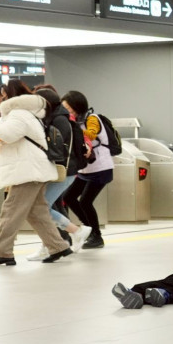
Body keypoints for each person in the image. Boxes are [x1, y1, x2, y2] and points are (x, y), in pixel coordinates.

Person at [0, 80, 72, 266]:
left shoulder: (19, 114)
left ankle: (3, 252)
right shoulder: (26, 113)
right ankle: (58, 247)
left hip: (27, 171)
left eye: (2, 95)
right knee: (36, 212)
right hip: (33, 169)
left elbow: (6, 135)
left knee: (10, 211)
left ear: (9, 96)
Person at [26, 86, 91, 260]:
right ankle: (52, 243)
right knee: (42, 208)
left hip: (63, 171)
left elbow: (57, 148)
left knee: (41, 208)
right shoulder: (56, 117)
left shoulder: (59, 120)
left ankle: (74, 232)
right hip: (60, 171)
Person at [60, 90, 112, 250]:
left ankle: (96, 236)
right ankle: (88, 230)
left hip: (101, 168)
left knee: (85, 201)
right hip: (85, 170)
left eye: (69, 108)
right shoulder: (75, 121)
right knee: (69, 197)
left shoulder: (92, 118)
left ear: (77, 106)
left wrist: (73, 127)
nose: (67, 111)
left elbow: (91, 134)